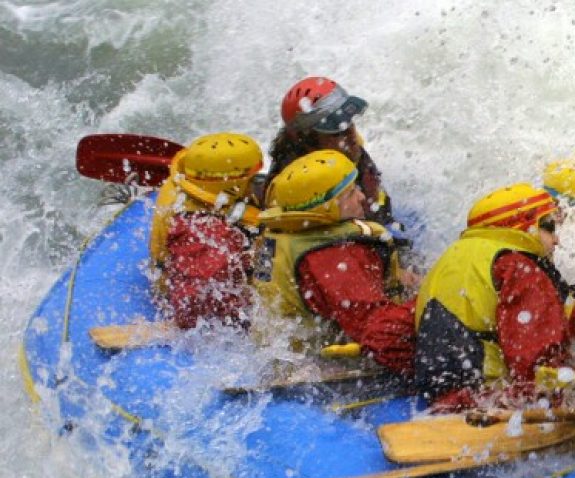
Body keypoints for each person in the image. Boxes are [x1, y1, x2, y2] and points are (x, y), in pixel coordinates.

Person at [413, 183, 575, 411]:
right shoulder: (519, 268)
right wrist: (563, 395)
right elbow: (537, 359)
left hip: (441, 394)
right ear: (523, 227)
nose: (556, 240)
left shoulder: (451, 257)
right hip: (491, 400)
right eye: (548, 227)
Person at [252, 150, 415, 375]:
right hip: (320, 369)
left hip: (283, 355)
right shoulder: (333, 256)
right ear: (325, 207)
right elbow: (377, 329)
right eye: (350, 194)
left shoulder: (286, 235)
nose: (360, 197)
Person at [148, 132, 263, 329]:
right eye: (251, 178)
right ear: (232, 186)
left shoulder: (184, 182)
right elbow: (195, 301)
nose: (255, 182)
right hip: (188, 298)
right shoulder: (205, 234)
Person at [264, 76, 394, 226]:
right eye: (337, 131)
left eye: (349, 123)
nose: (351, 135)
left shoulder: (347, 147)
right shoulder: (291, 188)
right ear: (307, 141)